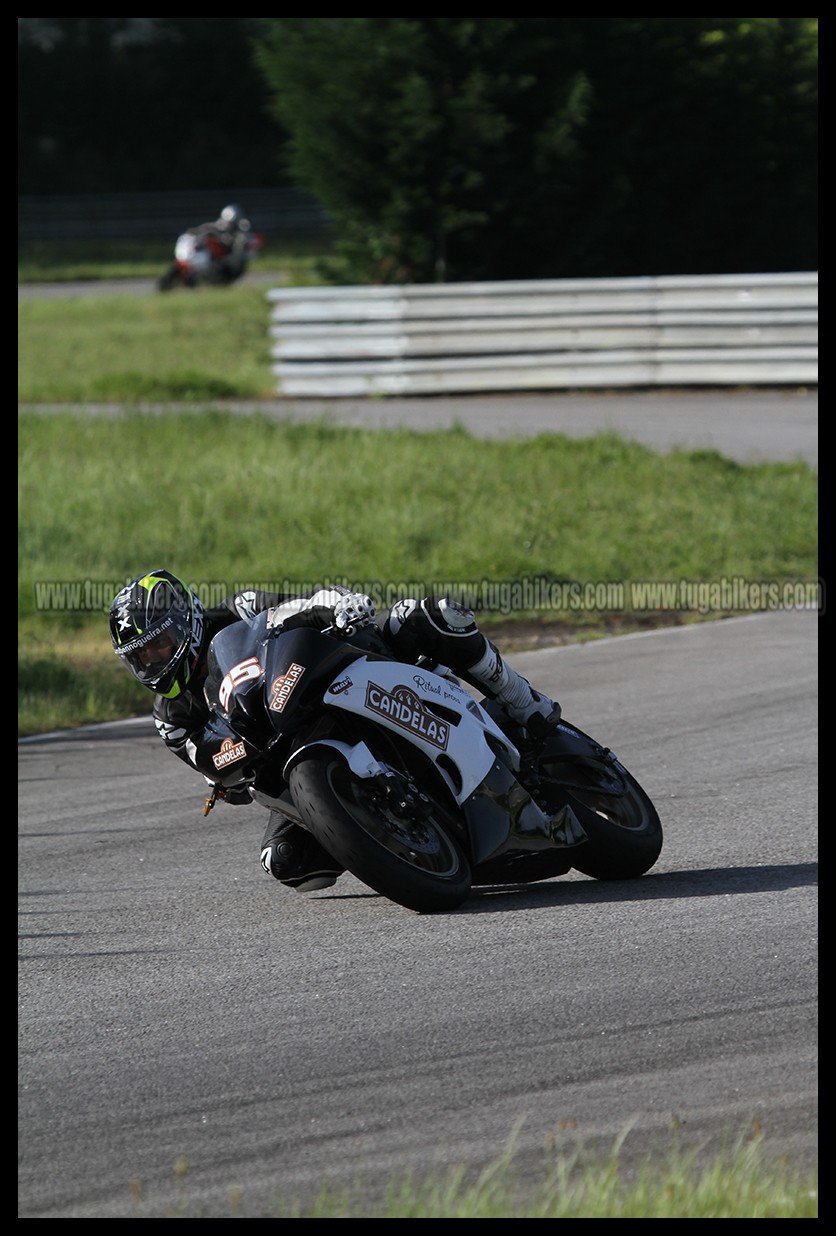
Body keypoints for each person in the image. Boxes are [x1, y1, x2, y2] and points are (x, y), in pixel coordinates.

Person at [109, 570, 561, 894]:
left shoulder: (237, 609)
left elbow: (303, 602)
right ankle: (393, 841)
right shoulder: (170, 715)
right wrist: (226, 767)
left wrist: (338, 604)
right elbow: (205, 758)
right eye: (140, 656)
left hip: (333, 678)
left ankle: (524, 703)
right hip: (283, 754)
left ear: (184, 620)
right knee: (286, 864)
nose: (153, 659)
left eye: (159, 644)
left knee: (431, 615)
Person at [188, 203, 253, 282]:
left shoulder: (241, 231)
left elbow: (240, 247)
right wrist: (194, 231)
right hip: (215, 255)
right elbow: (206, 228)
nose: (228, 224)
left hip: (228, 258)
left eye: (231, 222)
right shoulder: (218, 226)